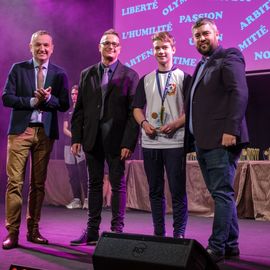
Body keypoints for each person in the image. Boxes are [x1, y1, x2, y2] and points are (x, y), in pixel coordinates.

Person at [185, 18, 249, 262]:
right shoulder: (201, 64)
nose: (201, 38)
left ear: (216, 34)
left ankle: (217, 247)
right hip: (203, 141)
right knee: (221, 193)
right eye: (197, 35)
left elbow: (239, 92)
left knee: (221, 193)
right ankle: (231, 244)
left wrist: (231, 129)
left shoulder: (229, 56)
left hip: (223, 140)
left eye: (205, 33)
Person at [70, 29, 139, 245]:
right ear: (99, 47)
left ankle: (116, 232)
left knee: (118, 185)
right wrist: (76, 137)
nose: (111, 47)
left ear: (120, 48)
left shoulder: (130, 75)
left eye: (115, 44)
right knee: (94, 185)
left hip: (118, 142)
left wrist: (129, 142)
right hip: (91, 139)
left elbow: (132, 114)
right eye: (107, 43)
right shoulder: (86, 74)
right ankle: (91, 231)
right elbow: (79, 109)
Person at [2, 30, 70, 250]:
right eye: (38, 45)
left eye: (46, 46)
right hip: (20, 132)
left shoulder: (59, 74)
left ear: (52, 48)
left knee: (38, 185)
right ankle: (12, 233)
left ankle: (33, 231)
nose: (42, 49)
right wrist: (32, 101)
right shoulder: (18, 69)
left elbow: (65, 104)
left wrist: (49, 99)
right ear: (30, 47)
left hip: (45, 134)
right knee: (15, 184)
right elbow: (6, 97)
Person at [133, 32, 190, 238]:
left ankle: (179, 234)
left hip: (175, 142)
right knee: (155, 191)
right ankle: (158, 233)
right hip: (151, 143)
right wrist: (144, 123)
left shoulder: (184, 77)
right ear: (153, 51)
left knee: (177, 191)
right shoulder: (146, 79)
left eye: (165, 47)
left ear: (173, 49)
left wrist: (176, 123)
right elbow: (137, 108)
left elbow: (192, 110)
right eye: (157, 48)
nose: (161, 51)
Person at [63, 85, 88, 209]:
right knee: (72, 174)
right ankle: (77, 199)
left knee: (83, 172)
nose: (74, 96)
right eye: (72, 94)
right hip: (68, 146)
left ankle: (87, 199)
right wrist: (75, 136)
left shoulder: (85, 109)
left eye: (76, 94)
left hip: (81, 145)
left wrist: (78, 138)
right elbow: (64, 129)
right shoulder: (68, 111)